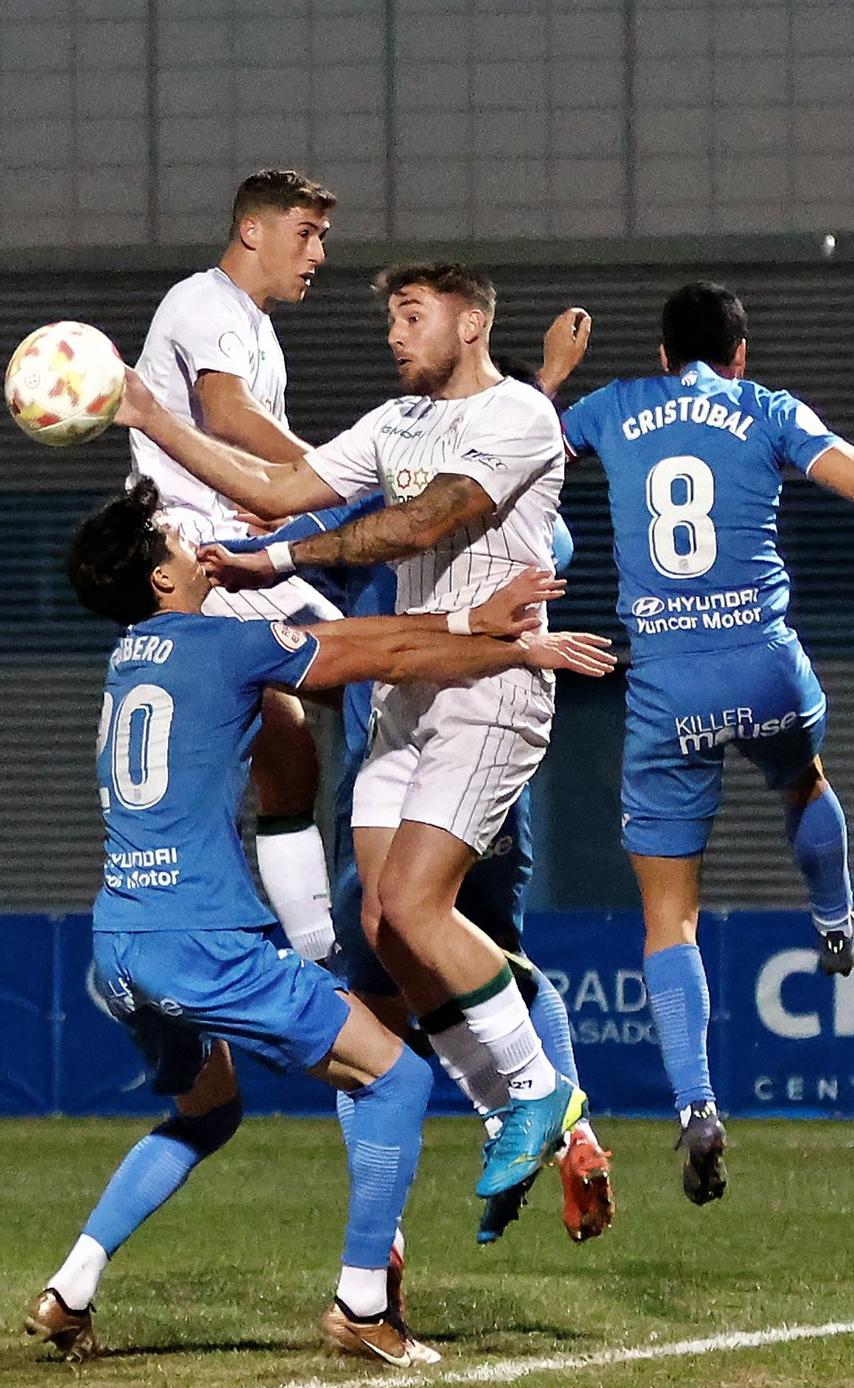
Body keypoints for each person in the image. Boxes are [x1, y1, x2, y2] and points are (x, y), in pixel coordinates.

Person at [23, 479, 615, 1368]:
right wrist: (481, 628)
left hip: (117, 949)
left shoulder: (129, 661)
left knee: (207, 1111)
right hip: (203, 945)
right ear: (159, 578)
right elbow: (368, 651)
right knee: (396, 1079)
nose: (194, 541)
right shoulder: (219, 646)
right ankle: (362, 1305)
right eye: (175, 539)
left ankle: (70, 1287)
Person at [111, 262, 591, 1204]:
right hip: (405, 697)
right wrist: (154, 423)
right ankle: (517, 1111)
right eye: (393, 319)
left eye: (412, 316)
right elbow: (283, 482)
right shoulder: (396, 421)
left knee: (416, 908)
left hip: (488, 684)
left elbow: (421, 524)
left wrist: (275, 559)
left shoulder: (518, 418)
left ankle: (540, 1097)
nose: (394, 334)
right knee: (379, 925)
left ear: (471, 325)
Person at [558, 281, 854, 1204]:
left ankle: (696, 1106)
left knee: (670, 917)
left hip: (666, 687)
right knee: (801, 779)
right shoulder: (762, 407)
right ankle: (835, 922)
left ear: (662, 356)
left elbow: (517, 449)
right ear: (738, 355)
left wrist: (550, 376)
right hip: (763, 669)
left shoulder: (614, 407)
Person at [129, 167, 341, 968]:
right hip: (196, 562)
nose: (319, 252)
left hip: (242, 556)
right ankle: (344, 934)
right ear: (252, 230)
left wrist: (294, 502)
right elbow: (226, 412)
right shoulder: (202, 303)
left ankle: (319, 946)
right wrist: (344, 476)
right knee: (367, 673)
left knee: (291, 756)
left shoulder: (256, 325)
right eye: (306, 232)